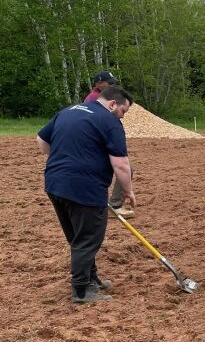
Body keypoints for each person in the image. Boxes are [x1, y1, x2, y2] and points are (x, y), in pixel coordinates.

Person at [37, 86, 136, 303]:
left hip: (55, 184)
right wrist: (128, 191)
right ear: (112, 104)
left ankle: (91, 279)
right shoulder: (110, 123)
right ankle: (81, 291)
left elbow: (41, 140)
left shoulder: (68, 111)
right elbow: (121, 165)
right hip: (85, 188)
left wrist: (65, 158)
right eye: (122, 111)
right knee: (88, 238)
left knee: (78, 237)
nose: (122, 116)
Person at [84, 70, 134, 218]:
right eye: (109, 82)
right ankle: (114, 206)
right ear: (99, 83)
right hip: (95, 144)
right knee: (125, 168)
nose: (112, 85)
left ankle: (110, 204)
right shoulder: (94, 99)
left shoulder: (100, 97)